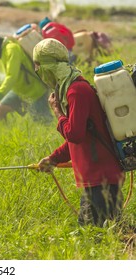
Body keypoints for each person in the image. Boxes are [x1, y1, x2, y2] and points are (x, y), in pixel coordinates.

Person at [34, 38, 124, 227]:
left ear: (49, 66)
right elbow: (79, 139)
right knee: (98, 237)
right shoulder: (70, 89)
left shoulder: (77, 91)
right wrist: (53, 159)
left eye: (38, 65)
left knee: (96, 238)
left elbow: (74, 134)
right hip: (95, 180)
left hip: (101, 180)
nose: (36, 70)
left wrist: (57, 111)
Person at [0, 25, 52, 123]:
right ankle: (7, 135)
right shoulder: (3, 52)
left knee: (43, 125)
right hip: (19, 92)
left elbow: (11, 77)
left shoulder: (11, 49)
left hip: (35, 92)